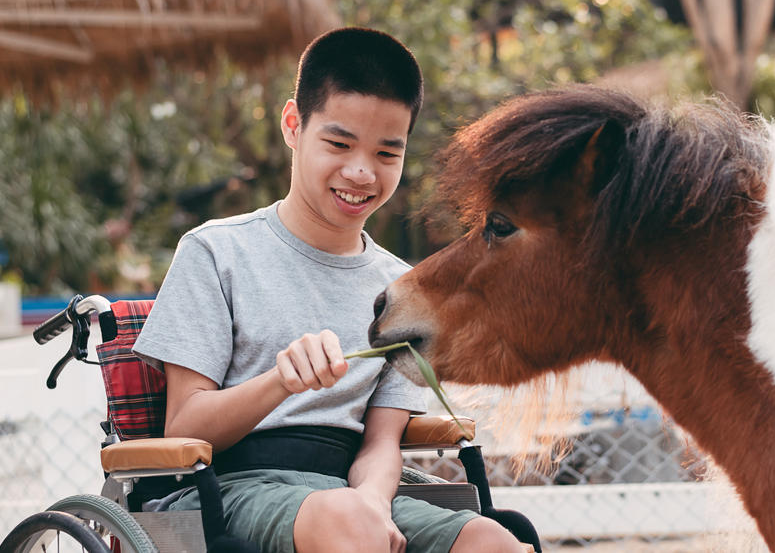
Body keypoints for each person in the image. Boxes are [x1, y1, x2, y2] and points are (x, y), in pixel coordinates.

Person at [133, 27, 524, 553]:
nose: (361, 172)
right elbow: (185, 424)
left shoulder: (403, 290)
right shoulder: (215, 253)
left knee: (491, 541)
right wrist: (280, 381)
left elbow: (382, 444)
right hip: (226, 488)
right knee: (346, 520)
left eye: (388, 153)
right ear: (293, 125)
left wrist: (371, 504)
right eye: (339, 144)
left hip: (349, 491)